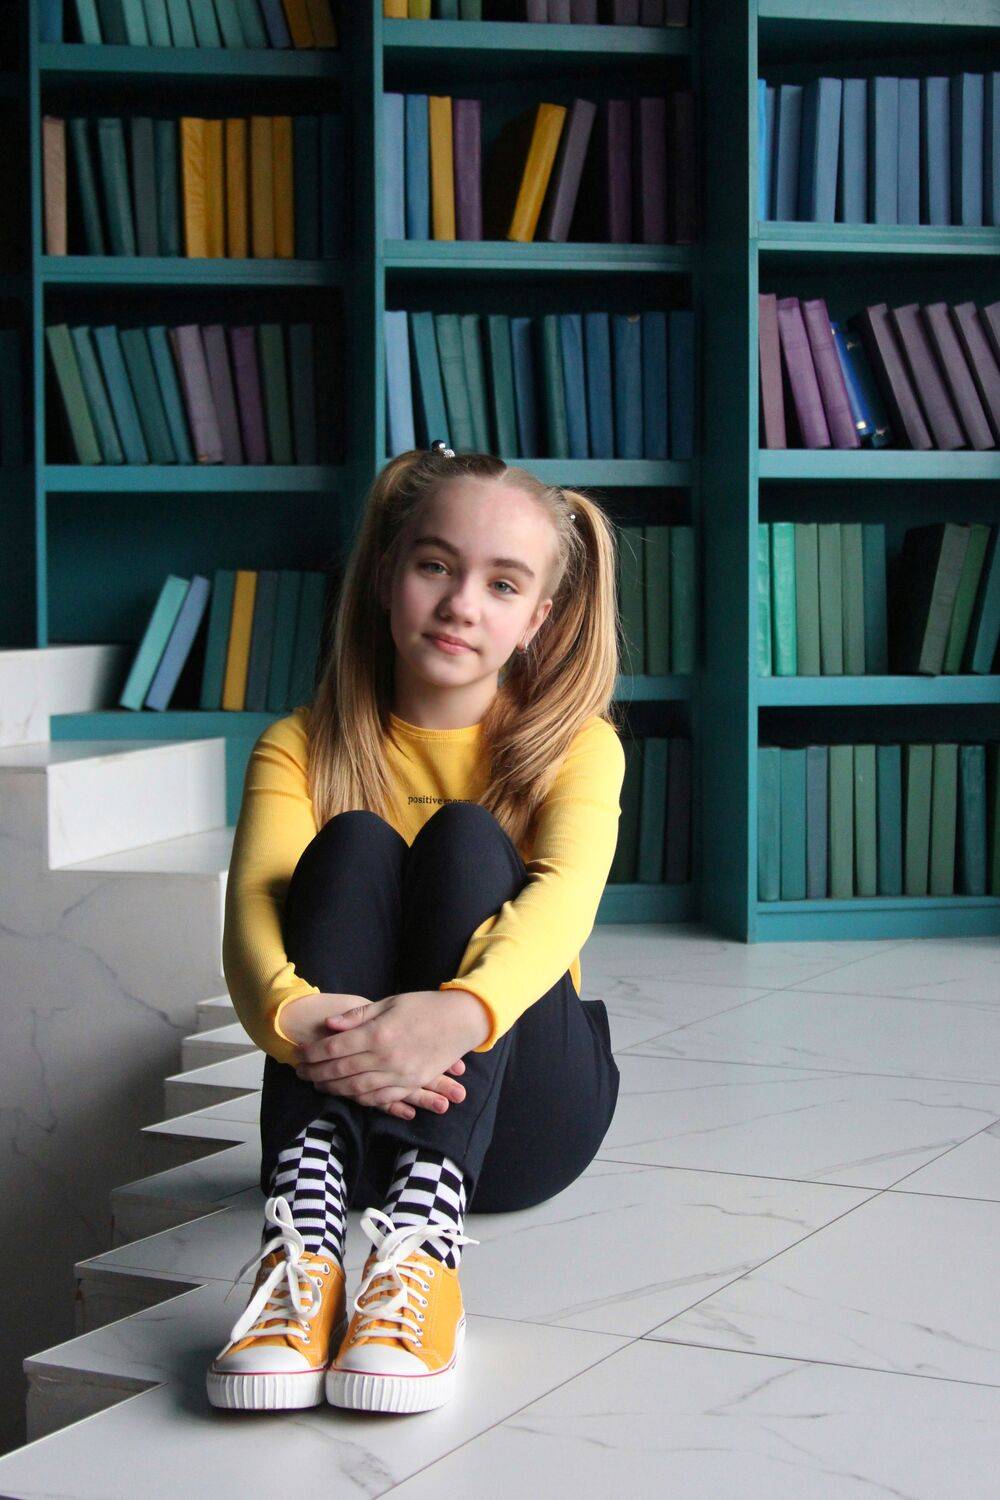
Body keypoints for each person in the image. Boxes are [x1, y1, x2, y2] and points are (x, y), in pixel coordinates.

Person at [206, 442, 626, 1417]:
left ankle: (423, 1250)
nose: (461, 604)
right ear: (387, 574)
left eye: (502, 584)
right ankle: (302, 1253)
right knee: (353, 841)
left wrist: (455, 1016)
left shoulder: (577, 748)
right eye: (436, 565)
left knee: (468, 839)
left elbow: (564, 902)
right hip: (348, 1112)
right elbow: (250, 921)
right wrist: (304, 1023)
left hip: (520, 1124)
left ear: (537, 619)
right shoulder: (299, 746)